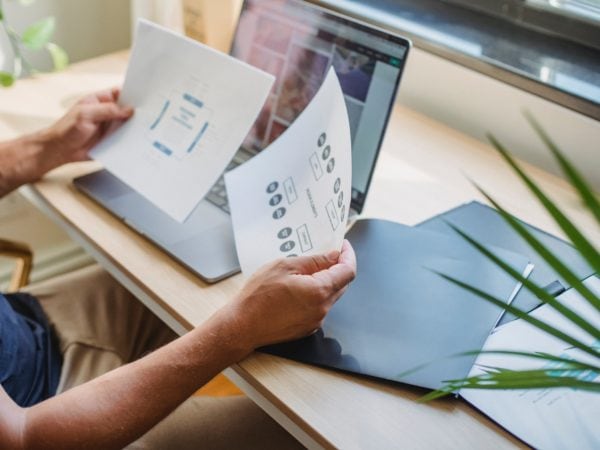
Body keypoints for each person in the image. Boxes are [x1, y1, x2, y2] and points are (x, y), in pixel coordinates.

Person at [0, 89, 357, 449]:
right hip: (41, 420)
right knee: (310, 432)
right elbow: (23, 437)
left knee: (195, 278)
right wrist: (237, 330)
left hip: (23, 326)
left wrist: (47, 147)